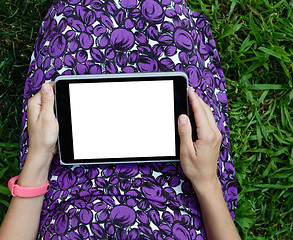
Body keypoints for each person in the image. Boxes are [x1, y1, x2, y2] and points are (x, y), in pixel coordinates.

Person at [0, 0, 239, 239]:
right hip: (184, 181)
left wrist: (39, 155)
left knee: (75, 18)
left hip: (63, 174)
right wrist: (207, 180)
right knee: (164, 17)